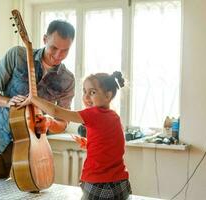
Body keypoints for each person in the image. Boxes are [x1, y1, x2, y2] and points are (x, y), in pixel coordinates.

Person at [0, 20, 75, 182]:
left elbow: (63, 122)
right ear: (45, 39)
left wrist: (50, 123)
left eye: (65, 50)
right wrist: (8, 101)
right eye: (54, 48)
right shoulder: (17, 55)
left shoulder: (67, 79)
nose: (58, 55)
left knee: (31, 194)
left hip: (33, 149)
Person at [18, 71, 132, 200]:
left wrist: (33, 99)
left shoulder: (93, 114)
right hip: (121, 183)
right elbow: (113, 144)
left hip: (99, 183)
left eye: (92, 92)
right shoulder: (114, 116)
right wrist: (90, 143)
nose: (86, 97)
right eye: (84, 92)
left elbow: (56, 111)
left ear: (108, 95)